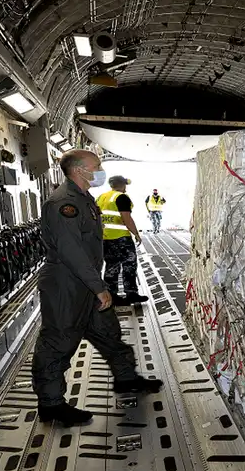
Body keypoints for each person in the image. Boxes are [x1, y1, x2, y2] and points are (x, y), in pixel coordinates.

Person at [31, 149, 162, 426]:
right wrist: (98, 287)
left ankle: (126, 378)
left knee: (108, 332)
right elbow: (71, 251)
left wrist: (96, 285)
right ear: (79, 171)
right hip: (67, 284)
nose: (100, 169)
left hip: (87, 281)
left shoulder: (84, 199)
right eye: (96, 165)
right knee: (58, 342)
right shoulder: (64, 203)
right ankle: (51, 404)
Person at [97, 176, 149, 305]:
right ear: (122, 185)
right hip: (121, 238)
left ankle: (112, 295)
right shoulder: (121, 197)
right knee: (129, 265)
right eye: (125, 185)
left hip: (105, 238)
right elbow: (126, 217)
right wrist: (136, 233)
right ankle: (131, 294)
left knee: (111, 266)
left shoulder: (101, 197)